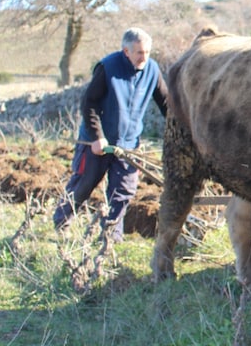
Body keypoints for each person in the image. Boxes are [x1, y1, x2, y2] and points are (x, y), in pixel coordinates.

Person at [53, 28, 168, 241]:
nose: (144, 58)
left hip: (129, 143)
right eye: (139, 53)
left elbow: (166, 103)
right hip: (98, 142)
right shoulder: (108, 67)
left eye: (147, 52)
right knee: (84, 185)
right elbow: (89, 103)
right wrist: (97, 137)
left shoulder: (152, 69)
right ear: (126, 51)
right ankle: (62, 222)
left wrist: (179, 126)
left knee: (123, 191)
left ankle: (111, 236)